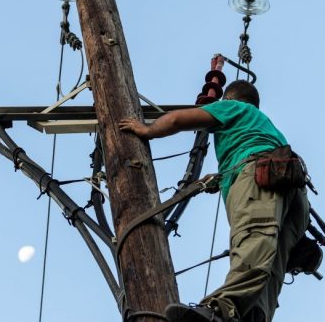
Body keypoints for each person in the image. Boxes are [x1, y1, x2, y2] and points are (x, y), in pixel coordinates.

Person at [119, 80, 309, 322]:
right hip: (295, 197)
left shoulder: (233, 108)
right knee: (272, 266)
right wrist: (219, 179)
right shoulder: (266, 127)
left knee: (253, 240)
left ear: (229, 100)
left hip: (262, 180)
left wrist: (146, 129)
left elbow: (177, 120)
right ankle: (252, 317)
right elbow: (255, 152)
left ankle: (220, 311)